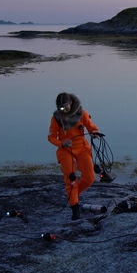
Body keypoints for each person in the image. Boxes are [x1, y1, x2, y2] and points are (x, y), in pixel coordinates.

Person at [47, 92, 100, 220]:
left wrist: (94, 133)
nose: (63, 109)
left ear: (70, 103)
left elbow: (91, 126)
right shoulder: (56, 118)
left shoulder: (82, 113)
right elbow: (51, 137)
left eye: (65, 106)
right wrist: (62, 143)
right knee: (71, 181)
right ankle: (74, 208)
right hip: (65, 149)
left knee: (89, 178)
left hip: (82, 147)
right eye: (61, 108)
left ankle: (73, 195)